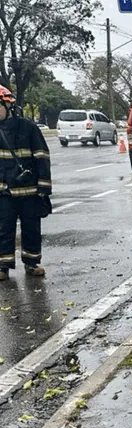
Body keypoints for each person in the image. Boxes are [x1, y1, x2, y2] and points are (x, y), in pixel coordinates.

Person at [0, 84, 50, 281]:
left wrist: (43, 189)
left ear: (8, 105)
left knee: (31, 228)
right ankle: (3, 266)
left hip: (29, 191)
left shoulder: (28, 127)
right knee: (4, 228)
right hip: (4, 192)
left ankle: (31, 263)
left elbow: (42, 157)